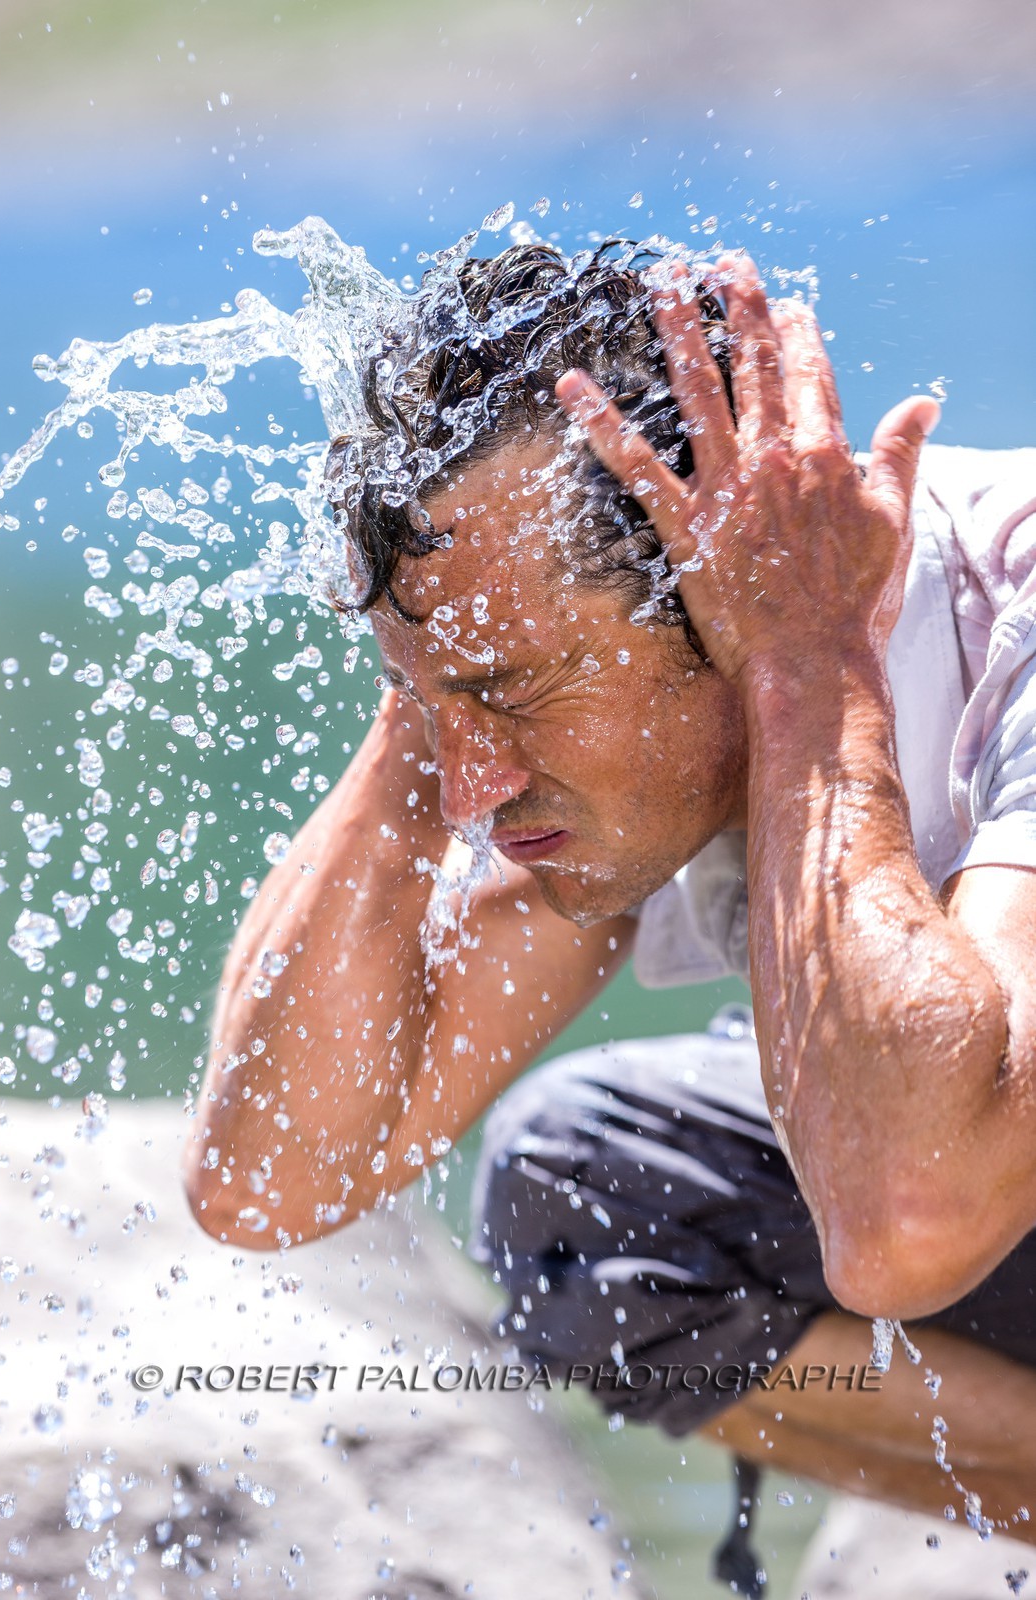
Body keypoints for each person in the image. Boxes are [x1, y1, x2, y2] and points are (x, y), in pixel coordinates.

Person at [183, 241, 1036, 1580]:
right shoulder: (610, 728)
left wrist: (810, 660)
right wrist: (438, 664)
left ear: (718, 574)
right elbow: (271, 1177)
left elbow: (912, 1221)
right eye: (431, 707)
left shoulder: (1009, 603)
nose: (472, 794)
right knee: (586, 1194)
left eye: (514, 691)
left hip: (962, 1180)